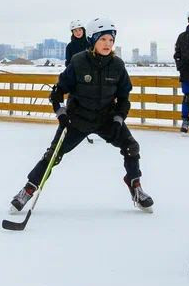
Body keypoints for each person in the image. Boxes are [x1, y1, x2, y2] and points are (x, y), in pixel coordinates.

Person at [9, 17, 154, 214]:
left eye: (111, 40)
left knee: (131, 147)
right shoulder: (78, 62)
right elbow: (57, 93)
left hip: (106, 119)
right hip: (77, 119)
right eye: (103, 40)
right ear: (93, 40)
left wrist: (118, 119)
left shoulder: (118, 66)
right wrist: (61, 114)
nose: (107, 44)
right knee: (53, 155)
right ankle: (28, 189)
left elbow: (124, 98)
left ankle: (135, 185)